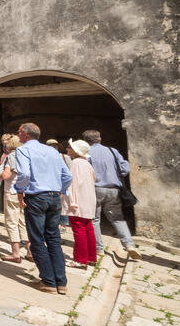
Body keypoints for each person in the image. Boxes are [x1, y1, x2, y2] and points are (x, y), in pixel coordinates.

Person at [13, 122, 72, 294]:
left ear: (25, 134)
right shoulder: (53, 151)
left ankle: (48, 281)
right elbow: (67, 175)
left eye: (18, 132)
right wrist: (60, 189)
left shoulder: (24, 150)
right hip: (54, 196)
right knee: (53, 238)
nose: (17, 135)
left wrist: (20, 190)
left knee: (37, 238)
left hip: (37, 196)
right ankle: (61, 281)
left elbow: (24, 174)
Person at [82, 130, 141, 259]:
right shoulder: (112, 151)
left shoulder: (86, 153)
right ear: (100, 139)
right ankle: (129, 244)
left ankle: (99, 248)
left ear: (86, 141)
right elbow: (125, 168)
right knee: (118, 218)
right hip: (114, 189)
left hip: (95, 189)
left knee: (94, 219)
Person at [64, 139, 98, 268]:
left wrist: (71, 200)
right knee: (88, 228)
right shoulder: (86, 164)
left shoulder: (76, 163)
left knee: (79, 230)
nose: (67, 149)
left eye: (70, 147)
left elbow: (72, 183)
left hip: (78, 201)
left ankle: (81, 259)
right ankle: (91, 257)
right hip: (88, 200)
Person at [0, 134, 31, 263]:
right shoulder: (26, 154)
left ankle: (15, 253)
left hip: (12, 191)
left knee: (11, 223)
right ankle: (30, 251)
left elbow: (6, 175)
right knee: (23, 222)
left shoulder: (11, 156)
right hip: (25, 192)